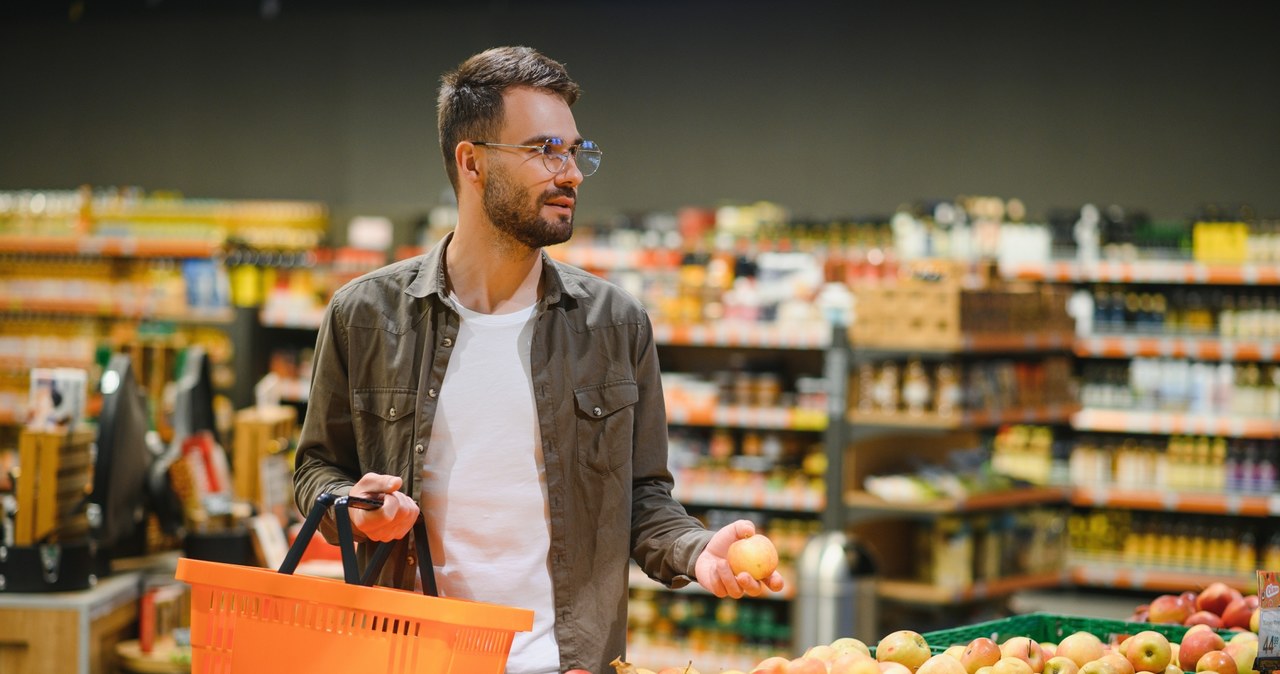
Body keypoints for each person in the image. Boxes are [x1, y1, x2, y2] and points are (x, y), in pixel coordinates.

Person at [292, 45, 785, 674]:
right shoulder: (365, 316)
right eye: (545, 150)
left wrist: (697, 551)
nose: (572, 172)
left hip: (568, 662)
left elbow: (643, 498)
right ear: (471, 162)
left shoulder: (614, 323)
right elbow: (316, 470)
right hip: (411, 658)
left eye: (575, 151)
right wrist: (357, 509)